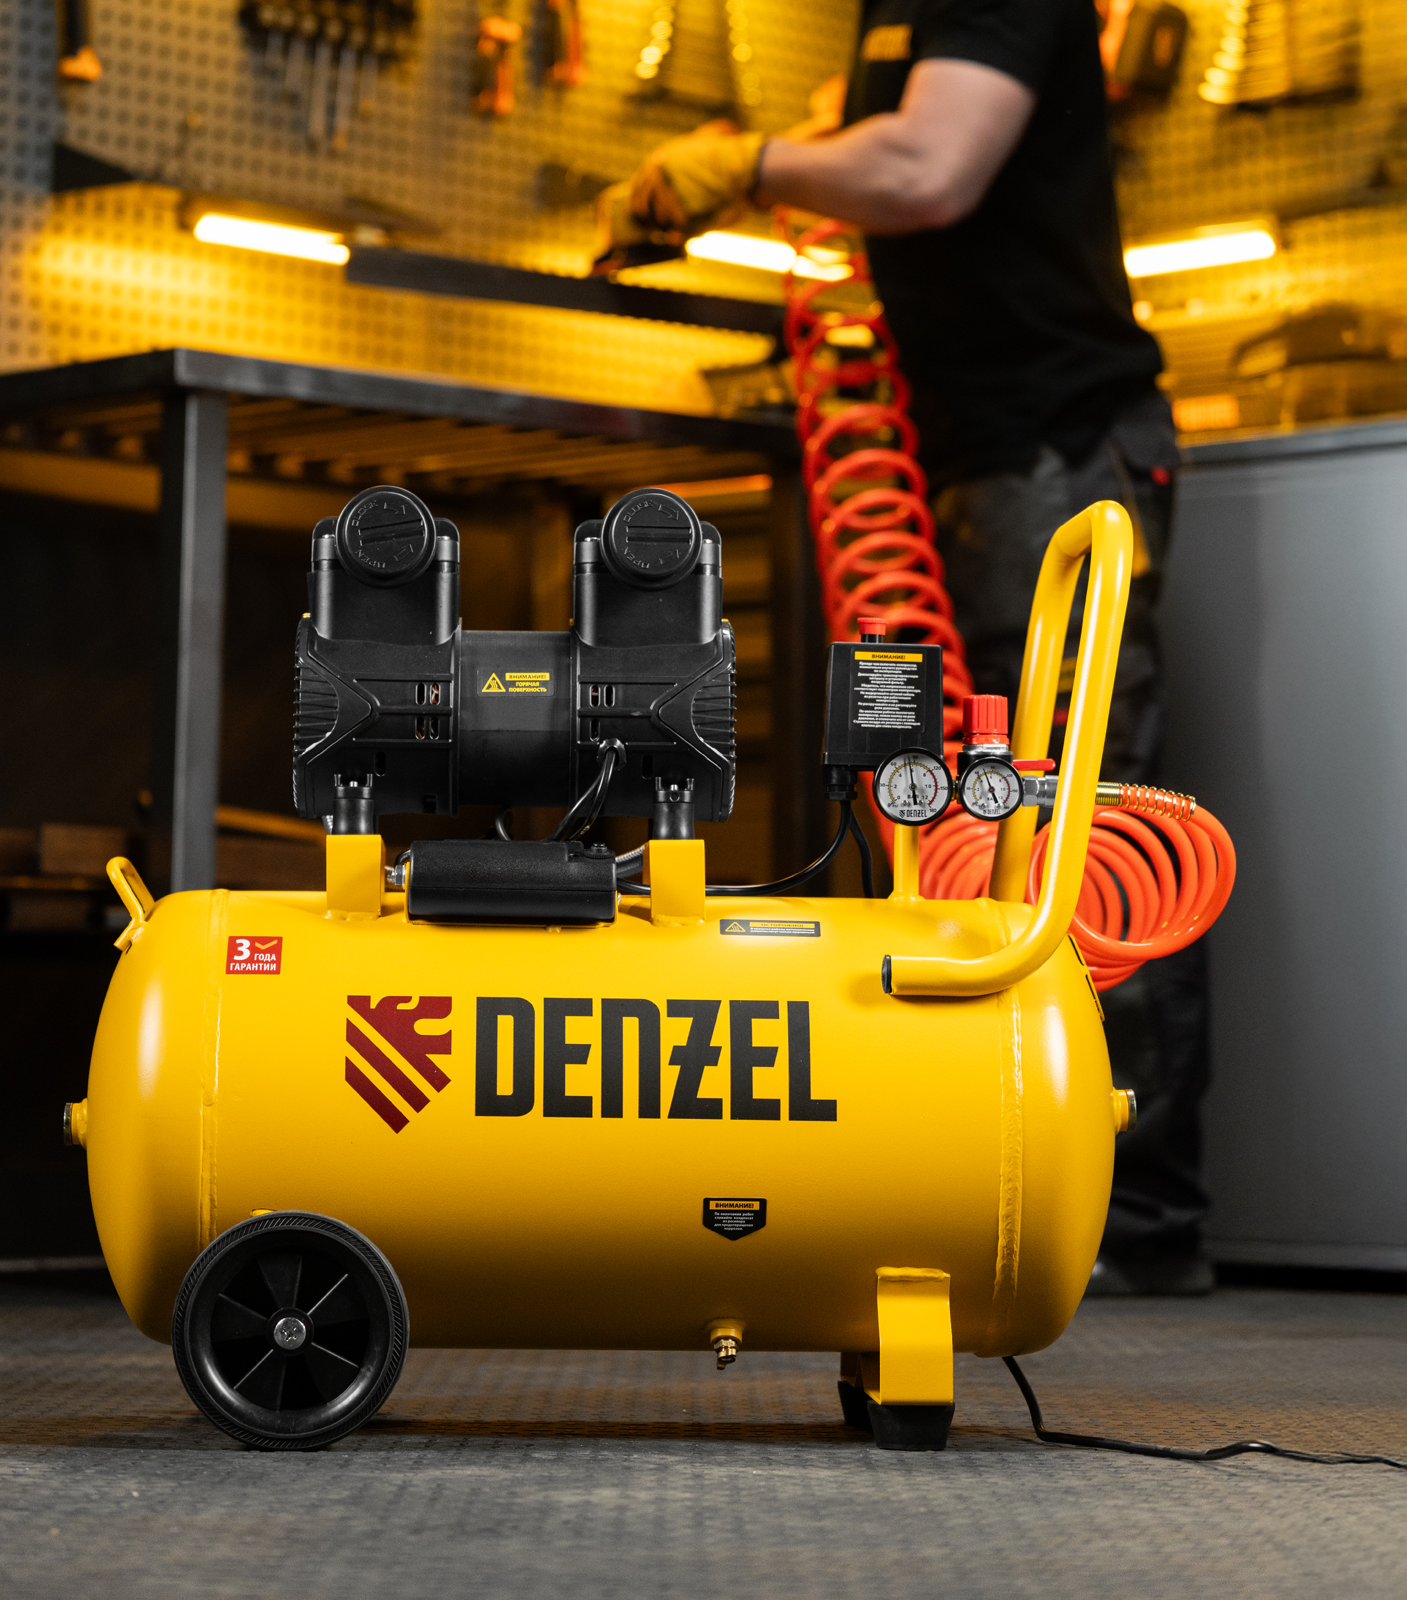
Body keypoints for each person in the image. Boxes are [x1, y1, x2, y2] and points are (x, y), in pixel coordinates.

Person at [599, 0, 1211, 1296]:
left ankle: (1134, 1216)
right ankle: (1003, 1174)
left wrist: (748, 163)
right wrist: (777, 155)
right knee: (972, 832)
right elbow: (876, 145)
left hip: (1054, 453)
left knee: (1083, 839)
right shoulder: (902, 15)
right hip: (969, 458)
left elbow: (928, 169)